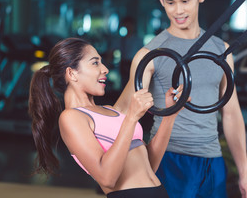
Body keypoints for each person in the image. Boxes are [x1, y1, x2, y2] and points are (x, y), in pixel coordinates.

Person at [114, 0, 247, 198]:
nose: (178, 11)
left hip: (213, 160)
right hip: (169, 160)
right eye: (170, 2)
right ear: (161, 0)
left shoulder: (221, 50)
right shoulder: (150, 54)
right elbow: (121, 113)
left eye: (185, 1)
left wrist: (244, 173)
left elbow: (231, 114)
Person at [28, 37, 187, 198]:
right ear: (72, 73)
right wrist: (131, 118)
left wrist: (170, 115)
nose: (105, 69)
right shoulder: (71, 118)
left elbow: (149, 166)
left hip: (159, 192)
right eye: (95, 63)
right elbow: (106, 178)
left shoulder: (111, 110)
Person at [119, 16, 143, 88]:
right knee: (124, 84)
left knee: (133, 84)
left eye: (130, 25)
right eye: (126, 25)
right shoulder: (121, 39)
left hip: (134, 63)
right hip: (124, 63)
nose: (128, 27)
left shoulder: (138, 40)